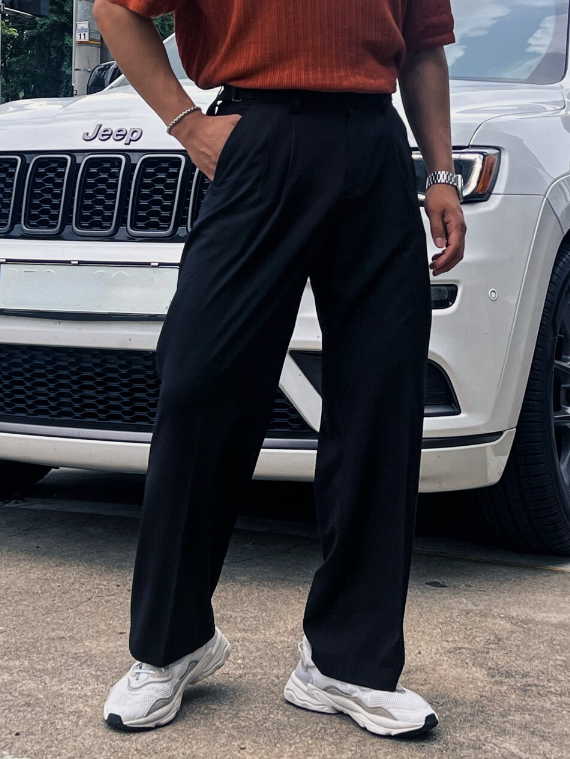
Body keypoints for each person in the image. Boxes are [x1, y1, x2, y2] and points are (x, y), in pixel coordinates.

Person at [94, 0, 466, 737]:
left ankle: (348, 662)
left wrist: (441, 173)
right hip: (256, 137)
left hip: (375, 145)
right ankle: (173, 643)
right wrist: (185, 122)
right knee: (200, 384)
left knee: (381, 399)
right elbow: (114, 8)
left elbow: (424, 48)